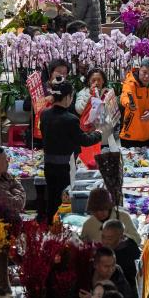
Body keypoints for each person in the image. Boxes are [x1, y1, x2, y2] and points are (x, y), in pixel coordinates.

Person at [40, 81, 102, 224]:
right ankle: (63, 226)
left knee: (52, 197)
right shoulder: (70, 119)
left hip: (49, 164)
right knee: (65, 199)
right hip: (65, 167)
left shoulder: (44, 115)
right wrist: (98, 133)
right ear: (68, 97)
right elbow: (84, 140)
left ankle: (50, 225)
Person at [75, 68, 120, 158]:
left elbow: (113, 117)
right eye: (93, 80)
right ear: (88, 81)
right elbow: (79, 110)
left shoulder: (109, 94)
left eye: (99, 79)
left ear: (103, 81)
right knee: (89, 163)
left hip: (105, 138)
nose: (96, 82)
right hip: (88, 139)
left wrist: (98, 129)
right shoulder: (83, 93)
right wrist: (89, 95)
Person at [119, 58, 149, 148]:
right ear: (139, 70)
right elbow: (124, 96)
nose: (147, 76)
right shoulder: (130, 83)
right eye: (144, 72)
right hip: (130, 135)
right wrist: (129, 104)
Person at [101, 219, 141, 298]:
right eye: (103, 237)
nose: (105, 242)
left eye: (109, 238)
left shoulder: (128, 252)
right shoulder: (113, 249)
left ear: (121, 237)